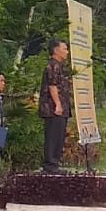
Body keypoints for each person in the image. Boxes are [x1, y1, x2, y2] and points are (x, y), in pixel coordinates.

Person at [38, 39, 71, 173]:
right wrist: (57, 104)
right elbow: (52, 86)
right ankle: (50, 164)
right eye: (65, 49)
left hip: (62, 107)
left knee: (59, 136)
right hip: (53, 108)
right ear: (56, 50)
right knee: (52, 136)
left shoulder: (60, 66)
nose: (67, 52)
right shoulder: (52, 65)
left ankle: (55, 163)